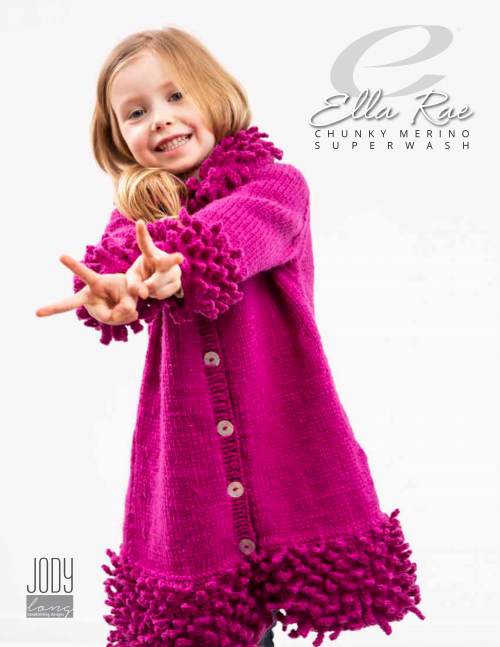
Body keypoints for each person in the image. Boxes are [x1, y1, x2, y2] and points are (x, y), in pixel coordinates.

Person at [36, 26, 425, 647]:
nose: (160, 119)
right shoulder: (136, 218)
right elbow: (119, 261)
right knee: (213, 625)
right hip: (189, 460)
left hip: (284, 443)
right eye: (136, 112)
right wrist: (117, 291)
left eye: (175, 96)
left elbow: (234, 236)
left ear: (215, 95)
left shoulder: (277, 186)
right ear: (118, 137)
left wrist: (172, 266)